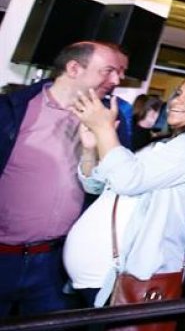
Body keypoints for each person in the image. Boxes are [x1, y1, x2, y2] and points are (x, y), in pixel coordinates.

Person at [62, 74, 185, 310]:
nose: (177, 101)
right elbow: (96, 185)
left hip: (124, 278)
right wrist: (90, 150)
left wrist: (104, 129)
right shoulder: (163, 144)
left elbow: (128, 180)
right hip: (99, 279)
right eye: (178, 93)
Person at [0, 41, 128, 316]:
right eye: (107, 71)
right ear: (73, 68)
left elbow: (113, 187)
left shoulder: (110, 120)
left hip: (56, 261)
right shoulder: (13, 109)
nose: (116, 80)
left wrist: (101, 142)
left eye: (118, 73)